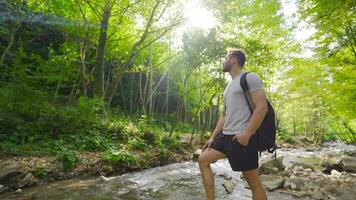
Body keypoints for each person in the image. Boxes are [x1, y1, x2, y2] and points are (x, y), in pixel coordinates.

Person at [198, 49, 268, 200]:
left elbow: (262, 107)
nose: (223, 61)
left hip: (242, 137)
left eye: (225, 58)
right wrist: (212, 137)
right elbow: (224, 115)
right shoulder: (229, 87)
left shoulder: (250, 78)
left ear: (233, 60)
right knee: (203, 160)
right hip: (225, 137)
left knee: (253, 181)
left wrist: (247, 134)